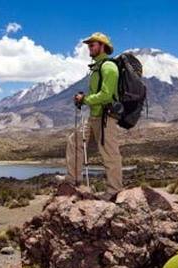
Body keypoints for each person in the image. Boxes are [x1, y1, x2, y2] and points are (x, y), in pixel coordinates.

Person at [64, 32, 123, 200]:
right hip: (94, 115)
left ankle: (114, 191)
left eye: (93, 44)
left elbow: (106, 95)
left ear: (102, 46)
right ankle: (73, 179)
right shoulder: (97, 67)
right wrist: (85, 100)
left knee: (110, 154)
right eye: (89, 45)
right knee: (74, 140)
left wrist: (85, 99)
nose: (89, 47)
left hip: (106, 117)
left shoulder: (108, 67)